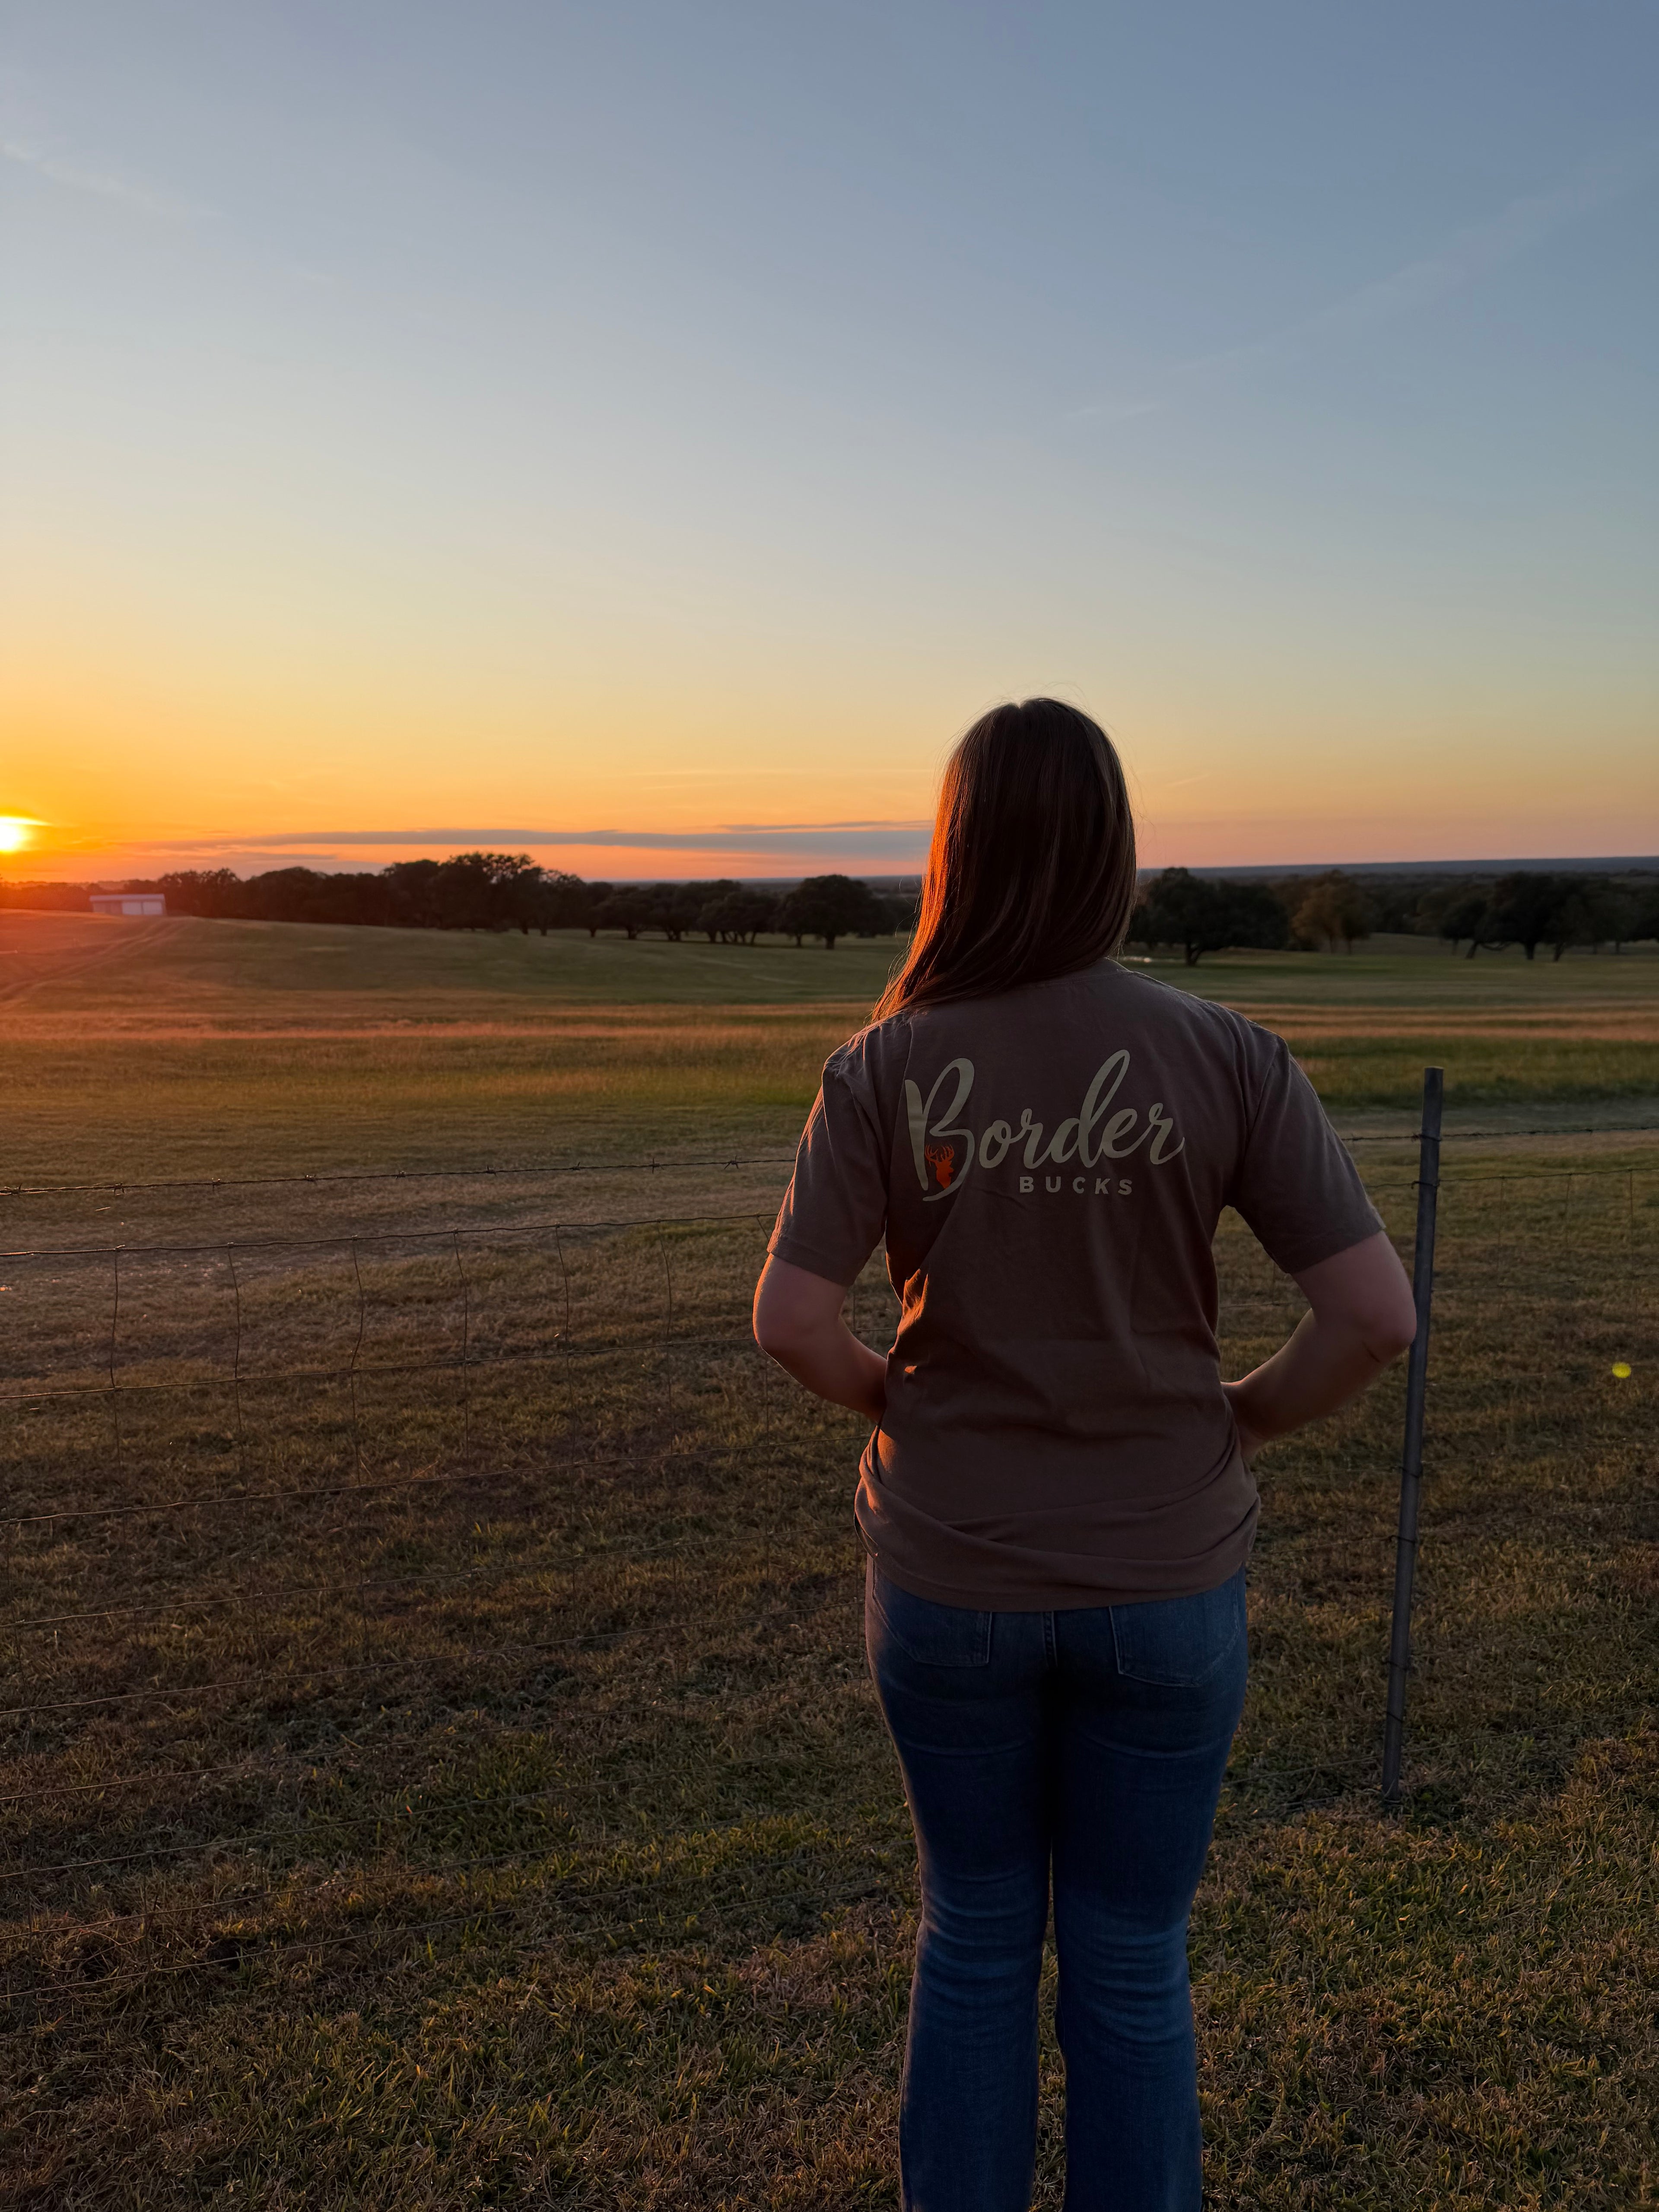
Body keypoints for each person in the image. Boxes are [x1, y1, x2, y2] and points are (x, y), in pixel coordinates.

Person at [751, 699, 1417, 2212]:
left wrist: (895, 1404)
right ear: (1115, 850)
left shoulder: (884, 1066)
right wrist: (1244, 1415)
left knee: (975, 1936)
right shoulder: (1226, 1054)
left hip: (951, 1577)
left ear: (957, 853)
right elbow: (1376, 1317)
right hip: (1167, 1576)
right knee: (1130, 1956)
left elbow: (790, 1321)